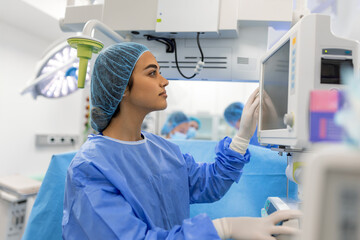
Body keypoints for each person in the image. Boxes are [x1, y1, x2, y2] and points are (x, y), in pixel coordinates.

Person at [62, 42, 301, 239]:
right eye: (152, 73)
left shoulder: (162, 149)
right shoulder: (90, 168)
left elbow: (209, 183)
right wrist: (223, 227)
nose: (164, 81)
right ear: (121, 87)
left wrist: (243, 136)